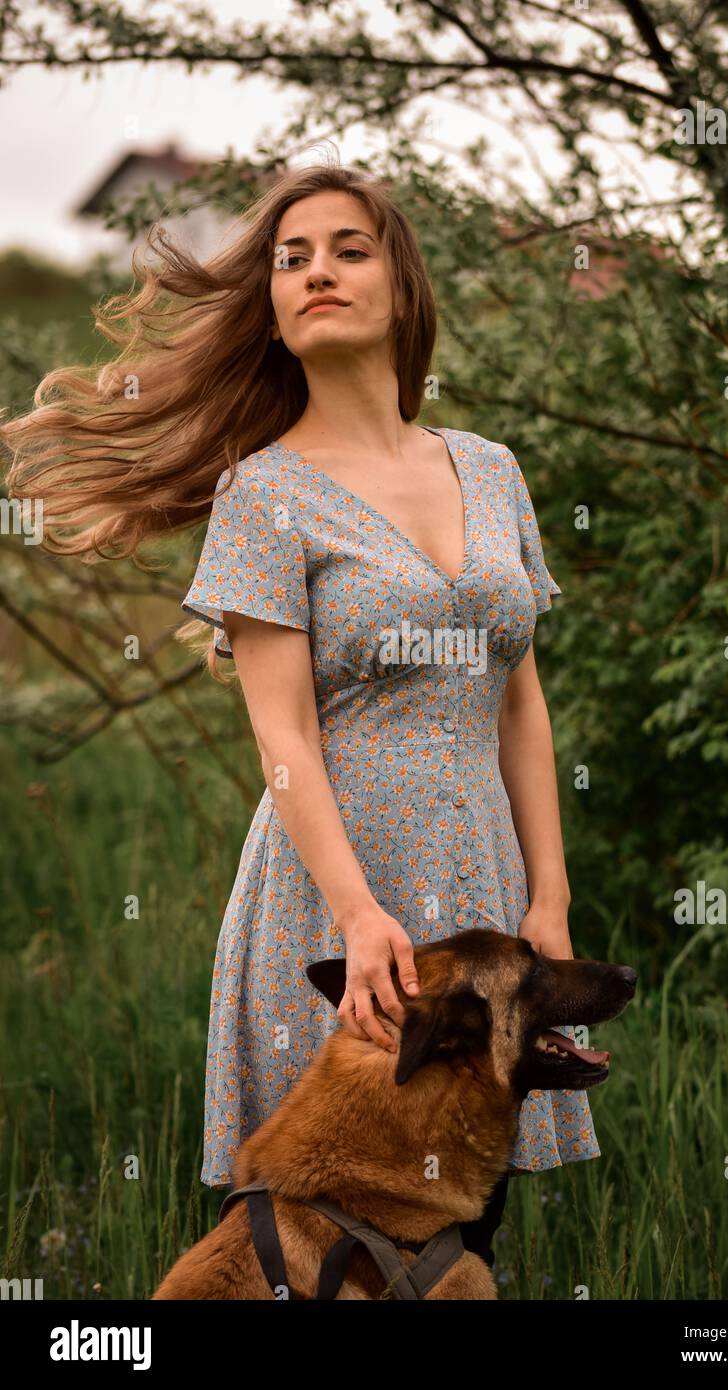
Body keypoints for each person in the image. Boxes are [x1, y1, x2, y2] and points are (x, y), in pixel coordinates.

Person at [2, 161, 600, 1270]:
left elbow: (521, 702)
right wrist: (357, 914)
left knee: (458, 1232)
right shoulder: (262, 493)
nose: (316, 270)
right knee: (316, 1245)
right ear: (272, 311)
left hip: (479, 897)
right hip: (330, 905)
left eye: (347, 249)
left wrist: (547, 898)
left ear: (402, 290)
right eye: (291, 258)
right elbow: (281, 738)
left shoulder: (491, 469)